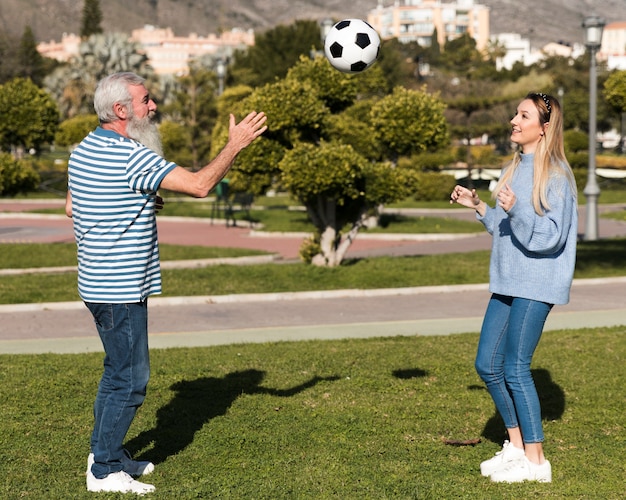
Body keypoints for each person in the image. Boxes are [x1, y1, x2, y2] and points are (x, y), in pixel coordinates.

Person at [65, 72, 267, 494]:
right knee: (130, 379)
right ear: (121, 111)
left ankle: (108, 452)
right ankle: (103, 470)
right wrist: (236, 145)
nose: (153, 107)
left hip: (95, 283)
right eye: (146, 100)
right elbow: (199, 184)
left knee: (114, 372)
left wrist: (133, 197)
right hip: (118, 288)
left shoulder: (84, 150)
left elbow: (72, 206)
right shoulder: (129, 156)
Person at [449, 92, 577, 483]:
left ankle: (537, 463)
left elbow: (550, 239)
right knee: (487, 364)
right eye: (515, 114)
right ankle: (517, 447)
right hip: (507, 278)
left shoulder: (555, 176)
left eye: (523, 116)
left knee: (516, 367)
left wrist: (516, 209)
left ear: (543, 127)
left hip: (537, 282)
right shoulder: (514, 167)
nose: (513, 121)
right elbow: (506, 231)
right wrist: (480, 208)